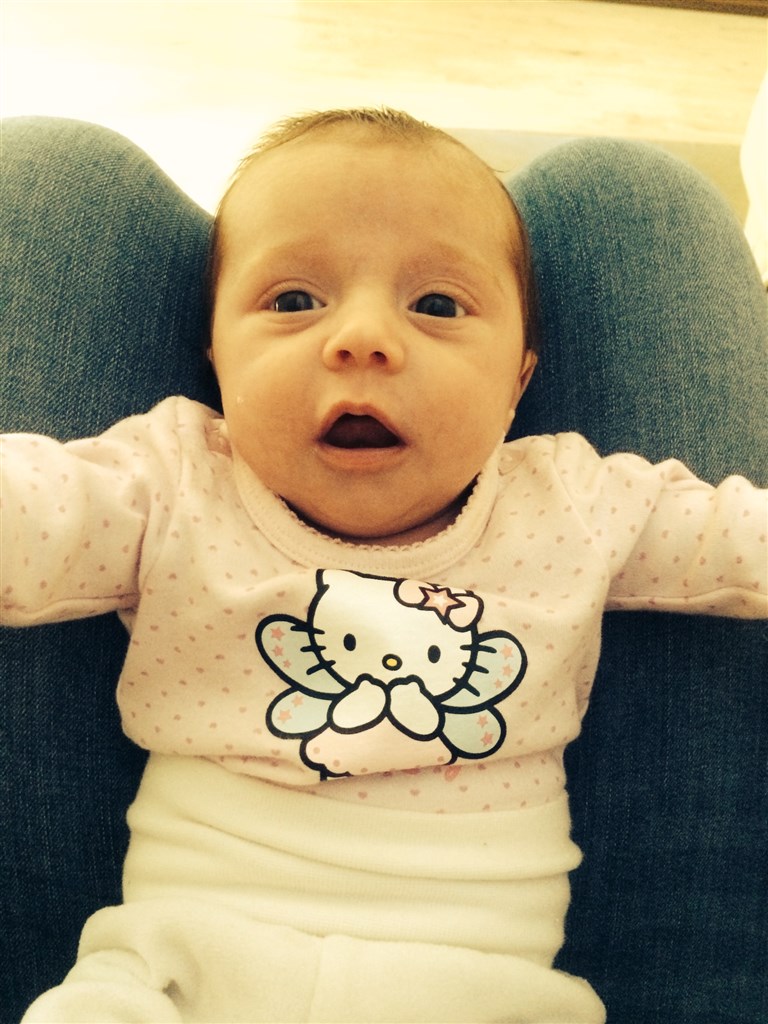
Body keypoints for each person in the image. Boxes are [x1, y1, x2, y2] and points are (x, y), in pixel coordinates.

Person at [1, 108, 766, 1024]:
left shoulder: (572, 501)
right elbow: (33, 507)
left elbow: (737, 538)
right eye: (293, 301)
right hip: (185, 969)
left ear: (519, 383)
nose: (361, 337)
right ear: (216, 360)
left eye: (437, 306)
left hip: (482, 995)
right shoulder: (173, 482)